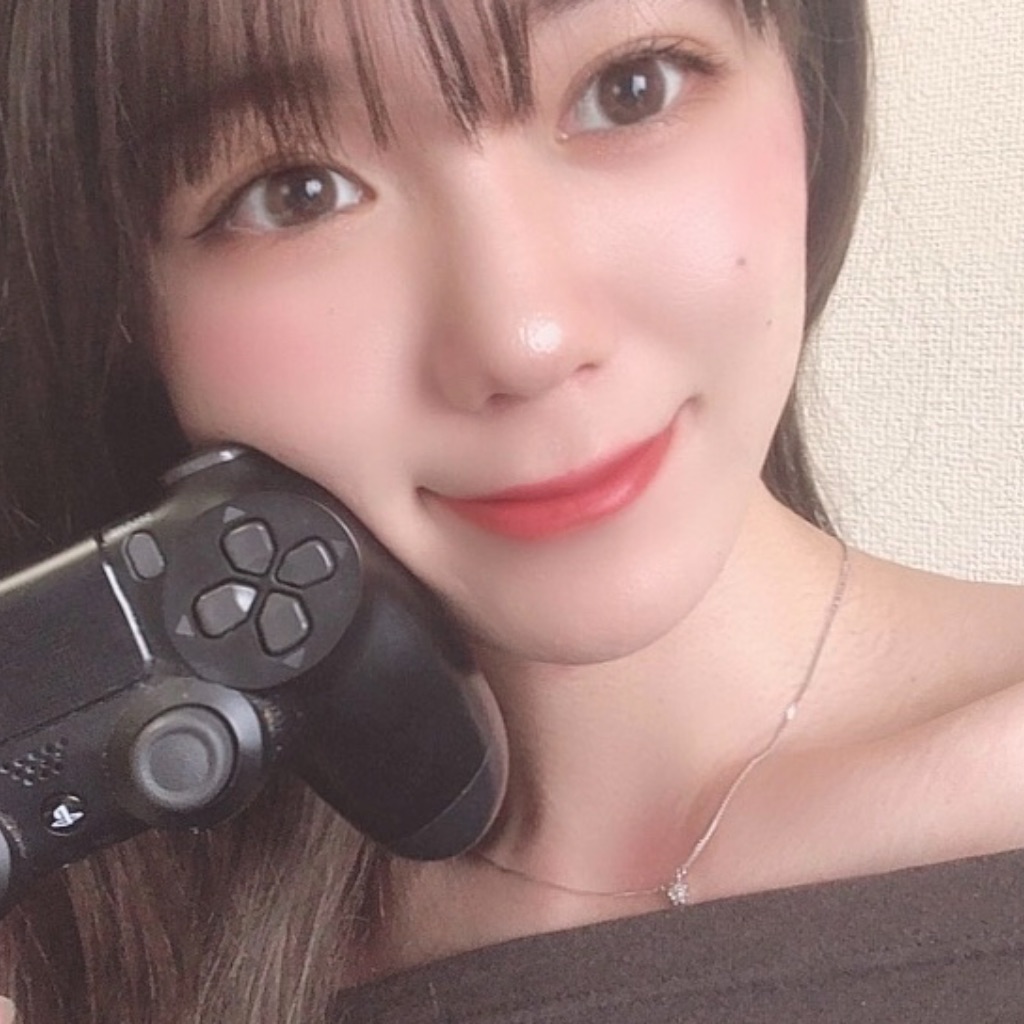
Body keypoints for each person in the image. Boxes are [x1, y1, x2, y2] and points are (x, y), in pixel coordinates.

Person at [2, 1, 1023, 1021]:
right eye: (295, 192)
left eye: (628, 90)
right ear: (126, 315)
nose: (523, 340)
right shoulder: (88, 934)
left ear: (807, 81)